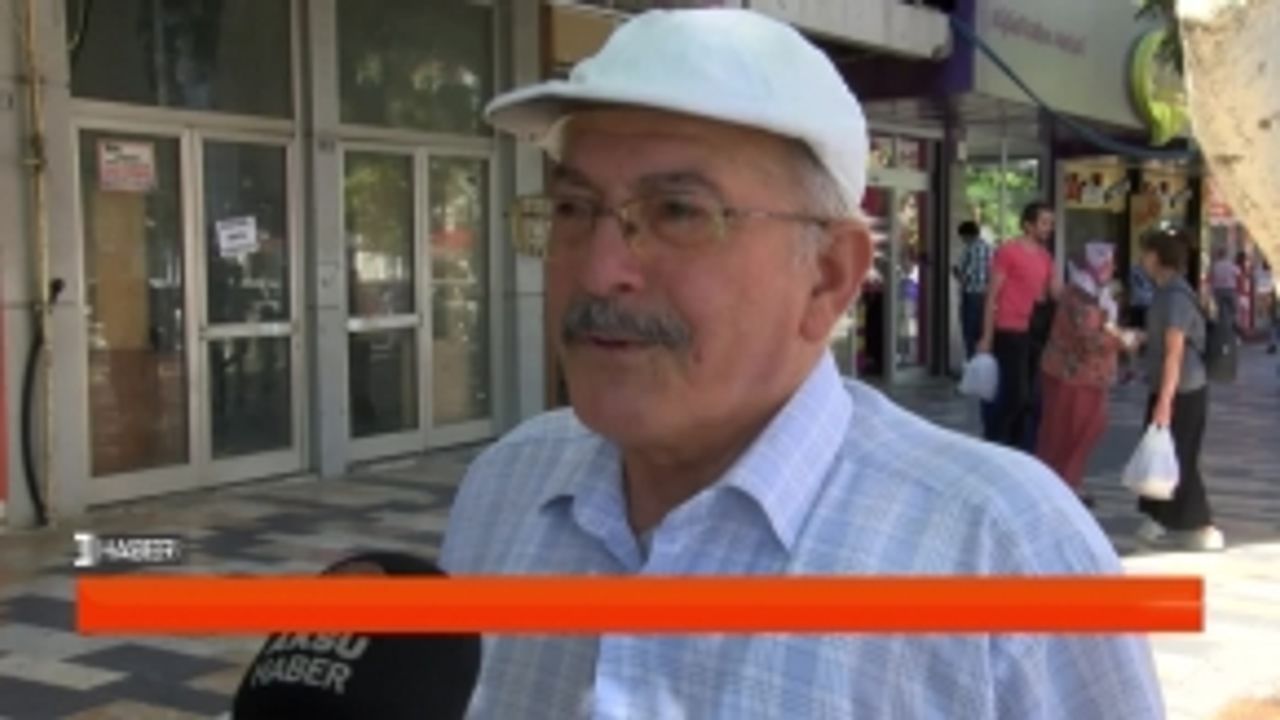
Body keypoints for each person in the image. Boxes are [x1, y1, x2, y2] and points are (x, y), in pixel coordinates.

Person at [441, 9, 1162, 719]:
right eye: (573, 208)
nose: (599, 272)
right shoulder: (507, 486)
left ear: (828, 276)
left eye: (679, 213)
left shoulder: (1004, 554)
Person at [1136, 228, 1224, 551]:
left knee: (1179, 456)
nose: (1141, 259)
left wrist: (1165, 401)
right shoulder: (1165, 292)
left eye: (1146, 253)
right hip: (1170, 385)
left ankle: (1203, 525)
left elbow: (1175, 351)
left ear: (1158, 257)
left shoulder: (1175, 297)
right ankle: (1158, 516)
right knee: (1161, 450)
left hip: (1182, 389)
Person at [1036, 243, 1140, 507]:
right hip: (1074, 377)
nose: (1113, 268)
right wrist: (1125, 341)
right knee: (1072, 432)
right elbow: (1090, 340)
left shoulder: (1091, 292)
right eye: (1108, 263)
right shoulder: (1082, 298)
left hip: (1080, 375)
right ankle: (1063, 485)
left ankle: (1063, 482)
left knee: (1076, 430)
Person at [977, 202, 1061, 450]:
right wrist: (987, 336)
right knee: (1017, 394)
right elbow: (992, 295)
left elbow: (1055, 293)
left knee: (1031, 397)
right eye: (1044, 223)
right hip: (1010, 330)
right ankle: (997, 441)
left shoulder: (1046, 257)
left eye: (1051, 223)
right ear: (1028, 225)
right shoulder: (1008, 252)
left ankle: (1018, 446)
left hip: (1037, 331)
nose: (1049, 228)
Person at [953, 220, 992, 358]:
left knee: (969, 331)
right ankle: (983, 361)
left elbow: (964, 275)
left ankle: (972, 362)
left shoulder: (968, 249)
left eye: (962, 237)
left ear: (967, 235)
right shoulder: (989, 248)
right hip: (986, 295)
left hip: (971, 294)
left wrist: (955, 272)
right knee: (982, 330)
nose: (962, 240)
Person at [1210, 247, 1241, 336]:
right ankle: (1234, 324)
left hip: (1218, 290)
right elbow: (1239, 274)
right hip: (1230, 289)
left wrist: (1212, 290)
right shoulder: (1230, 265)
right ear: (1226, 255)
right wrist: (1238, 288)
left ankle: (1221, 327)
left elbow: (1211, 278)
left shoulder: (1215, 265)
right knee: (1234, 309)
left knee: (1220, 310)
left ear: (1219, 255)